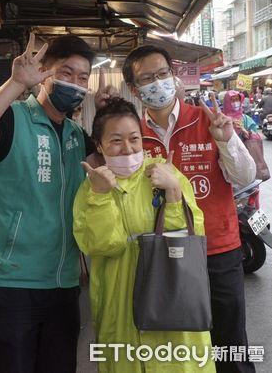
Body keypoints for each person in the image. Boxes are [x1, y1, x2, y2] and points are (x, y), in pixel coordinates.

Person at [0, 34, 95, 373]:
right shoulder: (12, 119)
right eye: (66, 73)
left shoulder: (77, 136)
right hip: (9, 285)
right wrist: (15, 84)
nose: (75, 83)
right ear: (44, 72)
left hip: (63, 283)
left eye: (83, 77)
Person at [121, 45, 256, 373]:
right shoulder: (132, 136)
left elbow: (245, 176)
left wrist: (225, 141)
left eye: (162, 74)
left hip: (217, 250)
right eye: (147, 78)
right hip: (165, 257)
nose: (158, 83)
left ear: (174, 76)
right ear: (134, 89)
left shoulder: (208, 120)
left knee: (230, 345)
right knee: (182, 348)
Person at [73, 98, 215, 373]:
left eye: (134, 138)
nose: (127, 148)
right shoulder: (91, 188)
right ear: (99, 145)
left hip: (173, 297)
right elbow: (103, 245)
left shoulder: (164, 173)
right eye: (116, 140)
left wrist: (173, 191)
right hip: (120, 301)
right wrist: (100, 196)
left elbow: (193, 233)